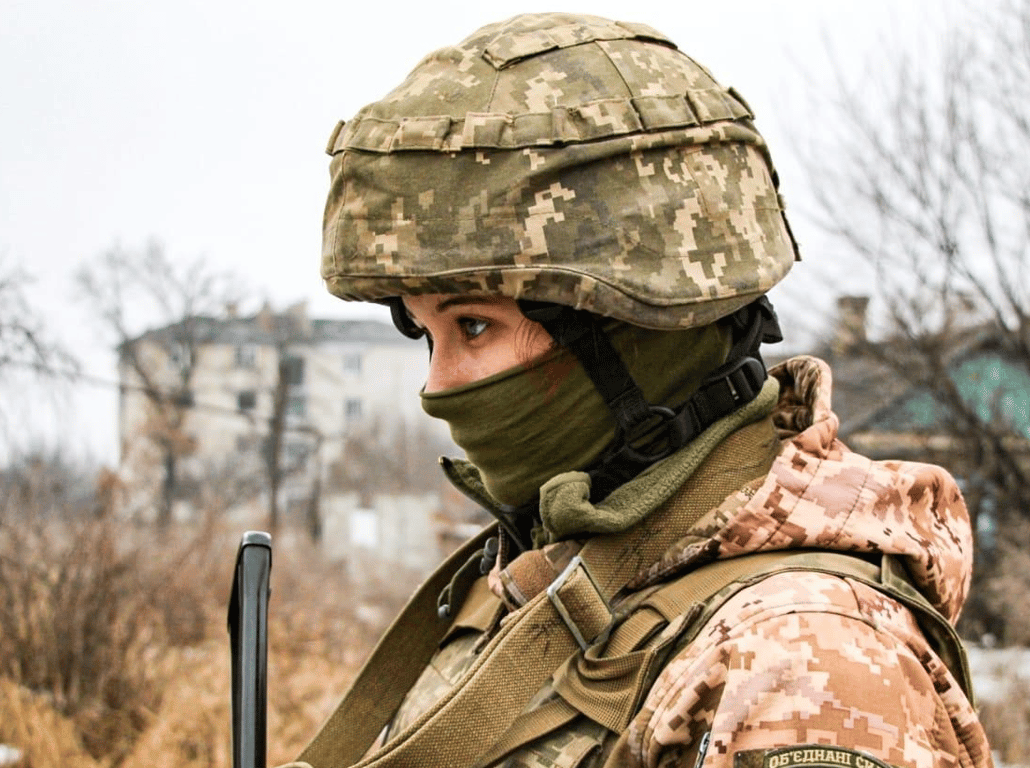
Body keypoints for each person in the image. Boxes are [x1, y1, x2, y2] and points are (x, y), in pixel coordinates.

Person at [283, 12, 993, 768]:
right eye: (425, 333)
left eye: (475, 326)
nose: (437, 384)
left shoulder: (805, 662)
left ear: (637, 332)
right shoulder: (552, 574)